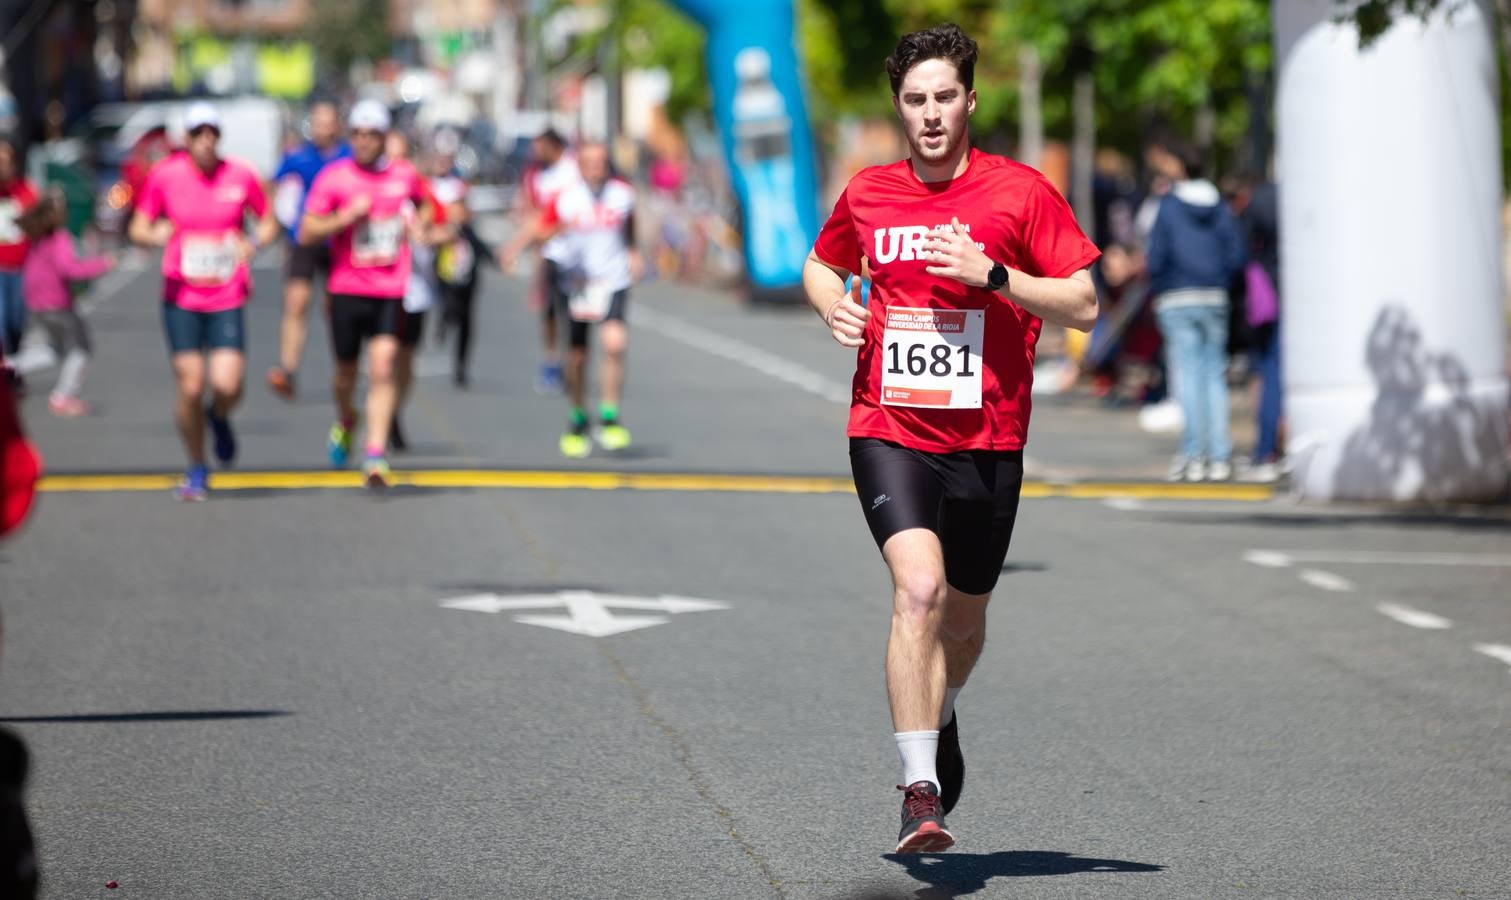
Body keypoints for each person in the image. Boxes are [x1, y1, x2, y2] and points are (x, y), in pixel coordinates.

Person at [803, 24, 1099, 853]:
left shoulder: (1020, 194)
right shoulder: (869, 193)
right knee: (919, 592)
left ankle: (942, 711)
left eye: (942, 98)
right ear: (897, 106)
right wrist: (832, 303)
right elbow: (821, 262)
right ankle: (919, 792)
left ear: (969, 100)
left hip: (989, 441)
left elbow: (1082, 304)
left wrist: (994, 277)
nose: (928, 115)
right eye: (913, 100)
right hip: (888, 427)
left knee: (962, 625)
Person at [129, 102, 278, 501]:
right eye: (199, 134)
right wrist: (155, 235)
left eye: (213, 133)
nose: (206, 142)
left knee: (226, 384)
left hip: (227, 293)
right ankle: (197, 466)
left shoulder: (240, 175)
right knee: (191, 386)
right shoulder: (165, 176)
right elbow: (138, 227)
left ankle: (220, 415)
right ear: (186, 139)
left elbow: (268, 220)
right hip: (181, 296)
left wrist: (256, 242)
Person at [299, 100, 442, 488]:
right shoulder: (335, 178)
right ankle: (347, 419)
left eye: (372, 135)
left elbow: (426, 206)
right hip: (346, 287)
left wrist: (419, 226)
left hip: (389, 287)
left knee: (383, 366)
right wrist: (345, 218)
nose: (364, 142)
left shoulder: (403, 175)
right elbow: (307, 230)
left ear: (384, 138)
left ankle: (375, 455)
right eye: (358, 134)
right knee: (345, 373)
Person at [503, 142, 641, 458]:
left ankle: (609, 415)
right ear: (580, 166)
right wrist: (513, 249)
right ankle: (578, 415)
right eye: (589, 162)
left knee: (615, 343)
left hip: (612, 279)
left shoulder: (622, 194)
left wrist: (633, 251)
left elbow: (629, 224)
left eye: (601, 162)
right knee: (577, 356)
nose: (595, 168)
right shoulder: (567, 199)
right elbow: (539, 228)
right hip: (577, 283)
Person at [1144, 135, 1245, 482]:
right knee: (1213, 375)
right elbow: (1236, 255)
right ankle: (1219, 456)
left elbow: (1156, 255)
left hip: (1177, 296)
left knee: (1188, 376)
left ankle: (1193, 454)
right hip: (1215, 296)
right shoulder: (1220, 206)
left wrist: (1161, 285)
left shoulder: (1169, 205)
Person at [266, 99, 350, 400]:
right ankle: (288, 369)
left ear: (337, 126)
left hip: (340, 240)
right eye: (317, 122)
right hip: (304, 239)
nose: (322, 128)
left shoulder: (348, 157)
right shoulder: (298, 157)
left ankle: (343, 366)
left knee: (335, 309)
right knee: (296, 302)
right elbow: (272, 185)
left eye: (328, 122)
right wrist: (277, 218)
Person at [18, 193, 114, 416]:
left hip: (36, 302)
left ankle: (11, 367)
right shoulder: (60, 238)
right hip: (57, 304)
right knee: (81, 348)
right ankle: (64, 395)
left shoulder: (37, 237)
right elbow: (69, 269)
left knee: (52, 350)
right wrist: (103, 264)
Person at [513, 129, 580, 394]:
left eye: (540, 147)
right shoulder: (536, 174)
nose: (535, 153)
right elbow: (533, 212)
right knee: (549, 310)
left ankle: (572, 360)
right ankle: (551, 361)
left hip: (575, 253)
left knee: (574, 313)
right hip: (549, 252)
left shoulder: (573, 169)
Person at [428, 130, 493, 390]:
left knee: (467, 317)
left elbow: (472, 227)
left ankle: (461, 367)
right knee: (450, 305)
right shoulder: (425, 185)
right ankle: (445, 318)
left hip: (464, 257)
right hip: (440, 253)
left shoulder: (461, 186)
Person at [0, 136, 38, 360]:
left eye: (5, 161)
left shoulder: (24, 191)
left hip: (21, 268)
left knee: (16, 320)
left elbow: (37, 225)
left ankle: (13, 359)